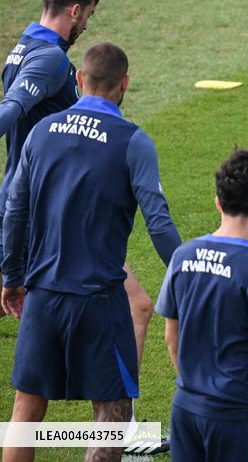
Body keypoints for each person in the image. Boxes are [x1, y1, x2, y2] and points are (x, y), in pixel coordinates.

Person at [0, 43, 181, 462]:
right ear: (124, 85)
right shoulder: (133, 142)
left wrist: (12, 277)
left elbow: (15, 211)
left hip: (42, 294)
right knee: (111, 412)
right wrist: (187, 275)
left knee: (26, 410)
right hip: (100, 301)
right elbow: (159, 222)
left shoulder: (41, 132)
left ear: (79, 80)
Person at [0, 0, 158, 380]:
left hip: (36, 205)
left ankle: (119, 431)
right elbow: (11, 110)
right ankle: (120, 432)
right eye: (88, 14)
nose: (87, 24)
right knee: (136, 305)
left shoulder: (23, 47)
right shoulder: (51, 60)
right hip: (42, 211)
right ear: (74, 11)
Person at [155, 148, 248, 461]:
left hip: (186, 410)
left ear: (218, 202)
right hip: (237, 415)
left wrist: (195, 389)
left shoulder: (183, 255)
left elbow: (171, 336)